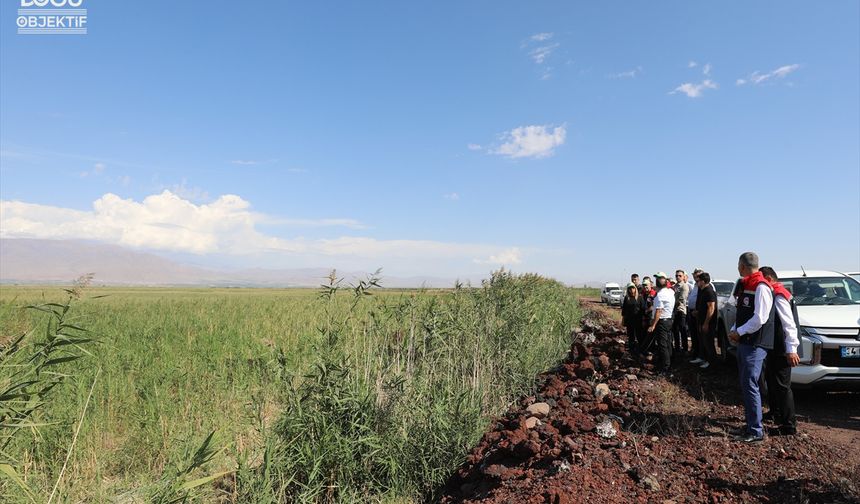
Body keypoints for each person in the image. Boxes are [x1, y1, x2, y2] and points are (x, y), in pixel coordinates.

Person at [728, 252, 775, 443]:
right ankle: (750, 425)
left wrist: (740, 332)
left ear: (742, 266)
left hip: (755, 344)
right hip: (745, 342)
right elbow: (742, 312)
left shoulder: (761, 286)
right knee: (746, 385)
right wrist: (735, 330)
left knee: (750, 384)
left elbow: (760, 318)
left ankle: (756, 431)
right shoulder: (747, 285)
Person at [760, 266, 800, 435]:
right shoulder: (775, 293)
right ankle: (775, 413)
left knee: (782, 386)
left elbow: (789, 324)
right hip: (774, 347)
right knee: (771, 380)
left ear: (769, 278)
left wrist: (791, 349)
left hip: (782, 349)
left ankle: (789, 425)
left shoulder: (779, 295)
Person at [647, 272, 675, 375]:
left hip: (662, 322)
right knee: (667, 343)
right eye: (657, 278)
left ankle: (665, 368)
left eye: (660, 279)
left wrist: (653, 325)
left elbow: (658, 311)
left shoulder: (660, 295)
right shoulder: (670, 292)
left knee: (663, 345)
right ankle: (668, 364)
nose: (658, 280)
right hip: (669, 320)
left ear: (665, 280)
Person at [693, 272, 717, 369]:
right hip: (701, 320)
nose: (697, 283)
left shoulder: (709, 291)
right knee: (703, 341)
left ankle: (712, 363)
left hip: (708, 322)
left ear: (703, 281)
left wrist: (706, 323)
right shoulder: (702, 291)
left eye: (698, 281)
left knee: (709, 342)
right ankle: (704, 358)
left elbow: (711, 308)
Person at [621, 282, 646, 356]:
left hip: (638, 320)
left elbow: (643, 309)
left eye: (633, 288)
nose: (631, 290)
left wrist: (644, 319)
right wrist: (623, 320)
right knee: (631, 335)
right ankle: (631, 351)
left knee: (639, 335)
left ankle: (641, 350)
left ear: (635, 289)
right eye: (630, 288)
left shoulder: (640, 297)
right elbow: (624, 310)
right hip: (629, 320)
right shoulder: (627, 298)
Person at [687, 268, 704, 362]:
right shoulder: (694, 285)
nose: (696, 276)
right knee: (694, 335)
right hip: (692, 313)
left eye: (698, 275)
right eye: (694, 274)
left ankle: (702, 356)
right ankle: (696, 353)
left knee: (700, 336)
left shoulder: (707, 286)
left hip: (699, 314)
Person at [672, 270, 690, 356]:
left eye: (680, 275)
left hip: (681, 311)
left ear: (683, 277)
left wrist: (671, 304)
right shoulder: (674, 286)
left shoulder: (684, 286)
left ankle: (685, 348)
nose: (678, 277)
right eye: (676, 276)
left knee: (682, 330)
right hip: (674, 311)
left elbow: (681, 300)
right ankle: (677, 348)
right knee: (675, 330)